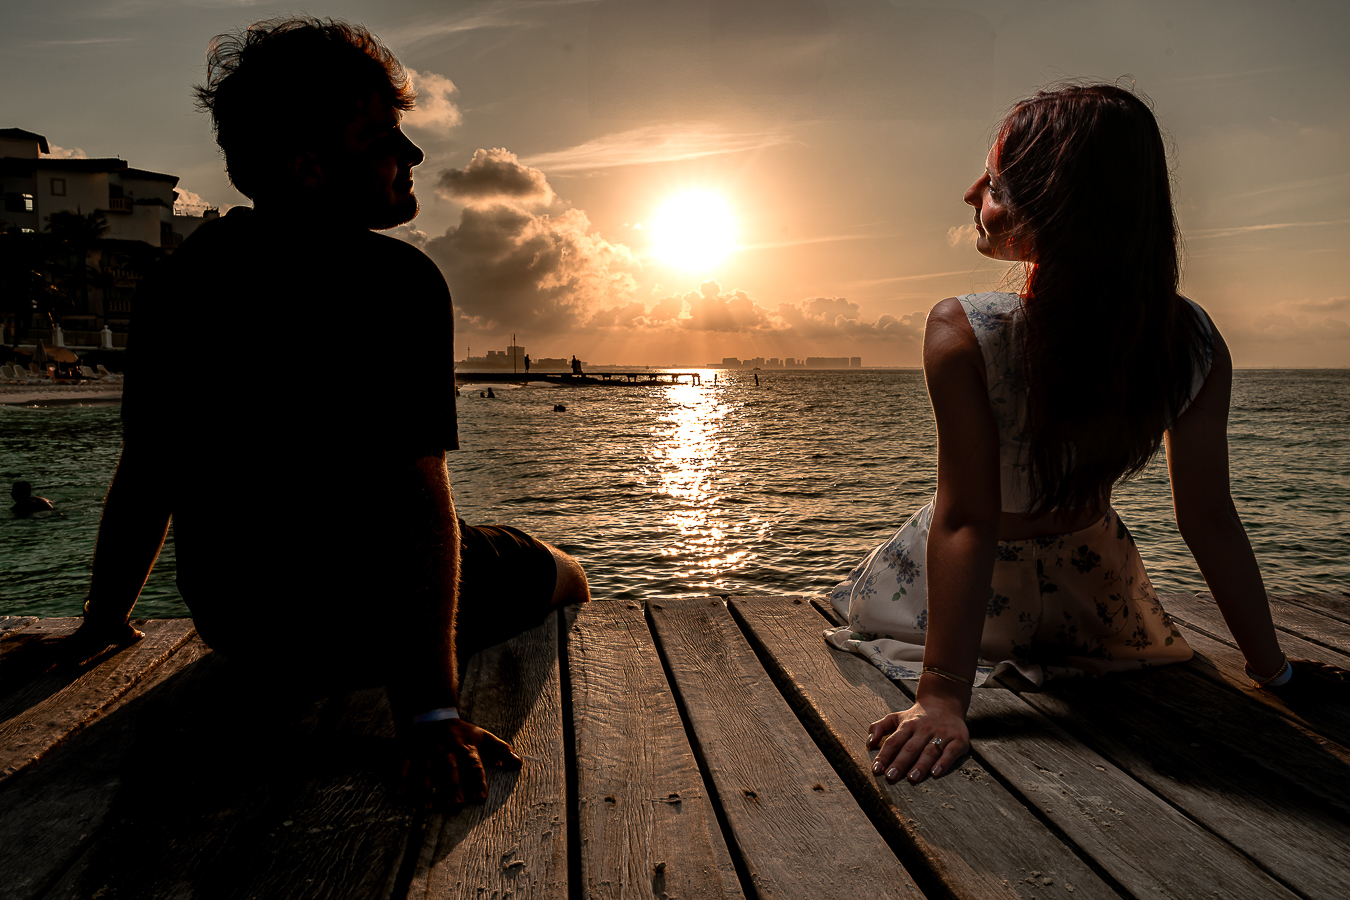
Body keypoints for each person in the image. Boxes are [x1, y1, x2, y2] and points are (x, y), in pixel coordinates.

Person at [60, 18, 589, 807]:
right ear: (309, 167)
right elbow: (416, 500)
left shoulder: (181, 280)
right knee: (566, 575)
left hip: (246, 628)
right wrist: (431, 714)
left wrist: (104, 618)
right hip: (353, 621)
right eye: (383, 138)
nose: (410, 157)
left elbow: (149, 470)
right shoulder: (395, 281)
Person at [827, 83, 1306, 789]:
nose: (970, 195)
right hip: (1098, 600)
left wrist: (940, 697)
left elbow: (968, 518)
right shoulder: (1191, 339)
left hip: (961, 605)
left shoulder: (965, 328)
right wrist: (1275, 670)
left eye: (991, 183)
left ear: (1048, 205)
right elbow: (1209, 519)